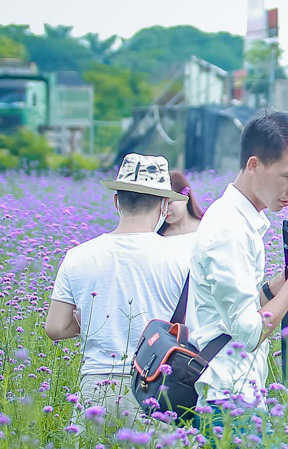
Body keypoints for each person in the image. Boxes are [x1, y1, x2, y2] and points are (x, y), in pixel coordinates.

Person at [187, 112, 288, 445]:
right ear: (254, 165)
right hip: (231, 404)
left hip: (236, 399)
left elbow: (249, 304)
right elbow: (249, 333)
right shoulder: (230, 230)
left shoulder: (242, 219)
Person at [44, 154, 192, 431]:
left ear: (116, 201)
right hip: (157, 385)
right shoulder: (182, 256)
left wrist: (96, 316)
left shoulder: (77, 256)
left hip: (95, 389)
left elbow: (55, 327)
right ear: (163, 205)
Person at [160, 170, 204, 237]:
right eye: (160, 205)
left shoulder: (205, 228)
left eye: (169, 203)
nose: (164, 210)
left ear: (186, 197)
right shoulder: (157, 234)